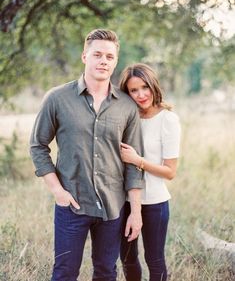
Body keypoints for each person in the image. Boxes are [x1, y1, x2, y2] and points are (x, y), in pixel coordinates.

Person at [29, 29, 145, 281]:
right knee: (64, 273)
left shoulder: (126, 106)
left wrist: (135, 212)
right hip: (71, 204)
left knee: (106, 272)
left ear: (115, 61)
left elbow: (135, 165)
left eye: (110, 57)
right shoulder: (57, 98)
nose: (104, 61)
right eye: (98, 54)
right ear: (85, 56)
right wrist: (58, 191)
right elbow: (38, 145)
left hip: (112, 208)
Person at [119, 63, 181, 281]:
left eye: (145, 87)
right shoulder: (127, 117)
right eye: (133, 90)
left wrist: (138, 160)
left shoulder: (168, 119)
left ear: (154, 85)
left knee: (154, 260)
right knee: (127, 258)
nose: (141, 94)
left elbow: (170, 171)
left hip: (155, 203)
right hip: (124, 201)